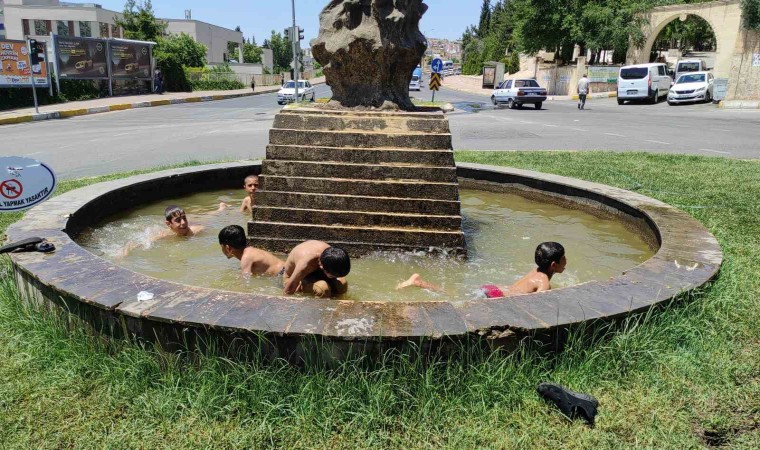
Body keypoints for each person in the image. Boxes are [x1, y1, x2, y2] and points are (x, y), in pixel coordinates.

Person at [396, 242, 567, 298]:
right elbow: (541, 305)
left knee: (453, 293)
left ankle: (419, 282)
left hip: (493, 289)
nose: (566, 261)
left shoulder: (535, 271)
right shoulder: (543, 282)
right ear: (554, 265)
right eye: (563, 258)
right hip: (494, 295)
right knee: (452, 296)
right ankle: (418, 282)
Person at [282, 240, 351, 298]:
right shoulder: (305, 264)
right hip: (293, 279)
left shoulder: (331, 254)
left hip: (316, 274)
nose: (336, 277)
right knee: (322, 288)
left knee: (342, 284)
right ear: (322, 267)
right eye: (334, 275)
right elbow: (288, 290)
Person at [218, 225, 285, 276]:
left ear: (227, 248)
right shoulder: (250, 251)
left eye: (221, 247)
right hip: (286, 269)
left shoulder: (246, 257)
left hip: (282, 274)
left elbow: (246, 280)